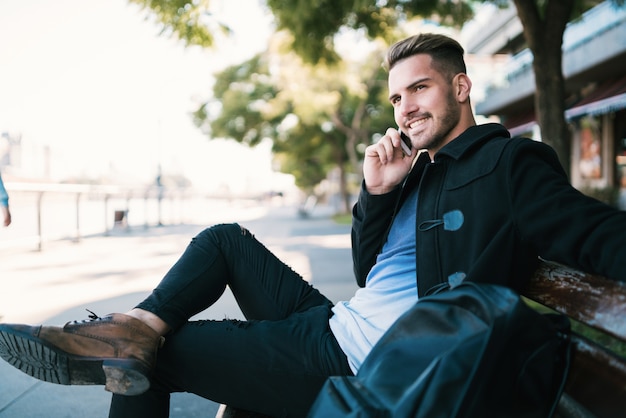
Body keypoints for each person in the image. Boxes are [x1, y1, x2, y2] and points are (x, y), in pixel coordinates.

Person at [1, 33, 626, 418]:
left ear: (461, 87)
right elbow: (372, 272)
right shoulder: (419, 171)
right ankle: (133, 328)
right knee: (222, 240)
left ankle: (129, 338)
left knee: (160, 358)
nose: (405, 108)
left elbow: (592, 232)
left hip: (364, 364)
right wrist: (377, 195)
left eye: (420, 89)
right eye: (396, 99)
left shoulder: (506, 164)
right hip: (335, 322)